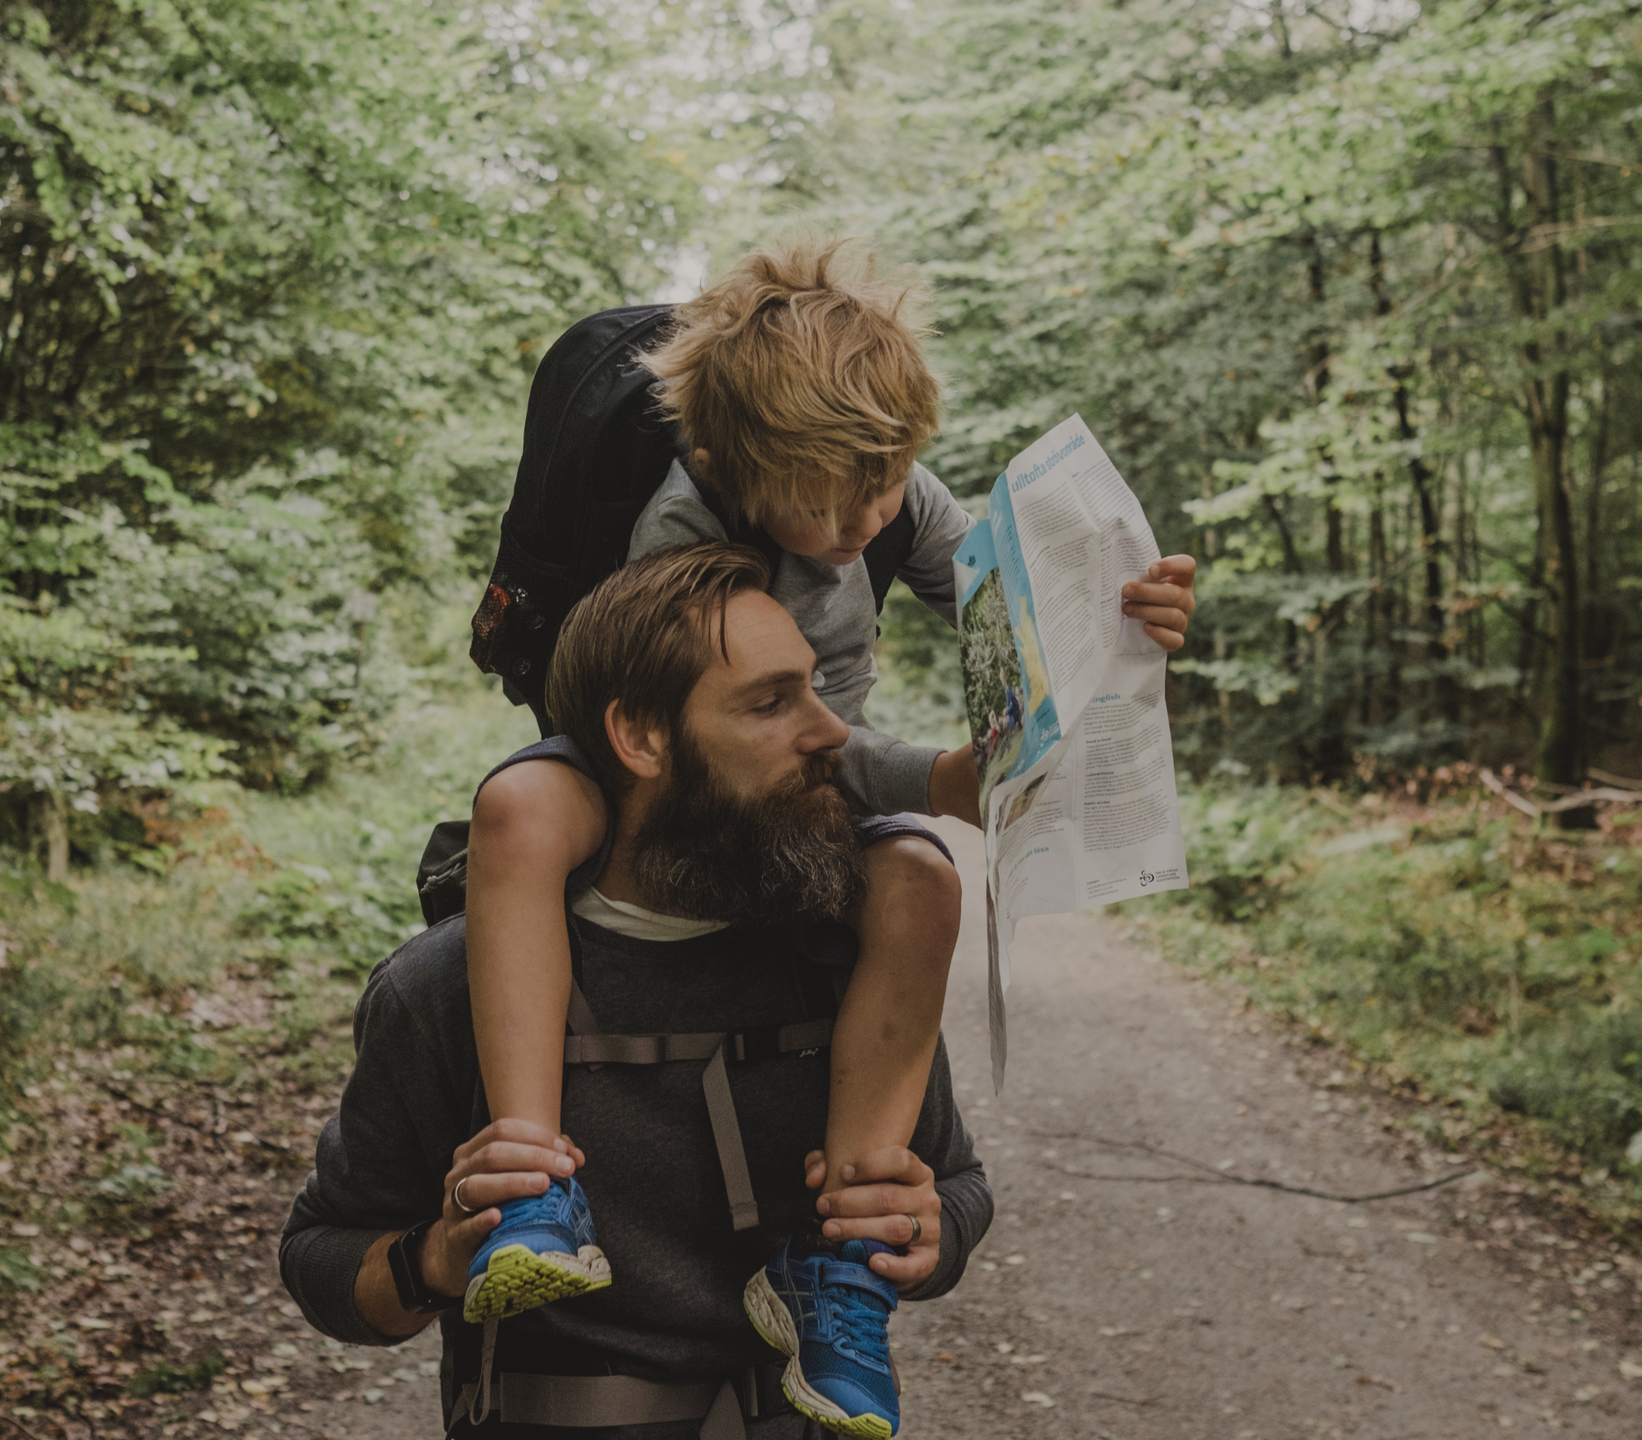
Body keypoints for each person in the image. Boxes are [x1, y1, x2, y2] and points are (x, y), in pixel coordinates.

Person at [459, 241, 1197, 1431]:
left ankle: (837, 1260)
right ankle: (536, 1187)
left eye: (890, 479)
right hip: (669, 750)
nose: (866, 517)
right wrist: (941, 776)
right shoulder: (677, 537)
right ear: (725, 464)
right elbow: (750, 739)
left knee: (917, 878)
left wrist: (1119, 613)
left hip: (788, 743)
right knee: (518, 811)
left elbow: (993, 596)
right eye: (831, 499)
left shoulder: (873, 486)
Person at [279, 544, 995, 1439]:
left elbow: (957, 1182)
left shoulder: (843, 960)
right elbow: (320, 1255)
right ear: (641, 737)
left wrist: (925, 1237)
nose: (833, 732)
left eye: (816, 688)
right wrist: (436, 1257)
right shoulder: (446, 987)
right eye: (773, 702)